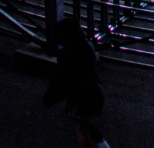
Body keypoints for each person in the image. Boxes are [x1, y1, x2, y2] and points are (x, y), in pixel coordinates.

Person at [42, 18, 110, 148]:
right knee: (85, 124)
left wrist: (49, 98)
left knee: (80, 129)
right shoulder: (86, 46)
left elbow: (61, 79)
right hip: (93, 92)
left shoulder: (67, 54)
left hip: (79, 97)